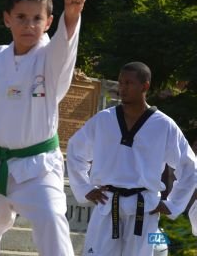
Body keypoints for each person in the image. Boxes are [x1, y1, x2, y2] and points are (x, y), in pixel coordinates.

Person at [0, 0, 85, 256]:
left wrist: (72, 17)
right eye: (21, 17)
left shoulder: (49, 58)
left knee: (52, 221)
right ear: (7, 19)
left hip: (37, 167)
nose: (29, 25)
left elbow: (64, 49)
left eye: (36, 18)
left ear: (48, 21)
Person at [67, 62, 197, 256]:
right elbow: (75, 150)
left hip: (144, 208)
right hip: (108, 204)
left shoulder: (163, 125)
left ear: (145, 86)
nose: (122, 88)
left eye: (129, 83)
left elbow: (189, 166)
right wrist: (85, 188)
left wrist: (172, 204)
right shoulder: (103, 120)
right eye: (120, 83)